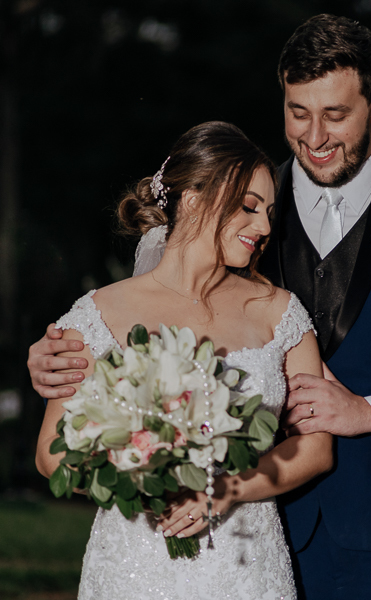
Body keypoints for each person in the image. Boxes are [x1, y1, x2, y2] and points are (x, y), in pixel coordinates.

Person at [29, 14, 371, 599]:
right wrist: (57, 358)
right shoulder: (237, 211)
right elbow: (149, 321)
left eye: (336, 115)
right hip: (258, 545)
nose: (314, 136)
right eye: (298, 113)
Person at [33, 121, 332, 600]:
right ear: (193, 199)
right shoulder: (97, 315)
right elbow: (51, 453)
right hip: (133, 564)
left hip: (247, 566)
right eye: (249, 208)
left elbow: (316, 449)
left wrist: (227, 490)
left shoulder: (281, 312)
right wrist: (141, 481)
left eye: (270, 212)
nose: (264, 227)